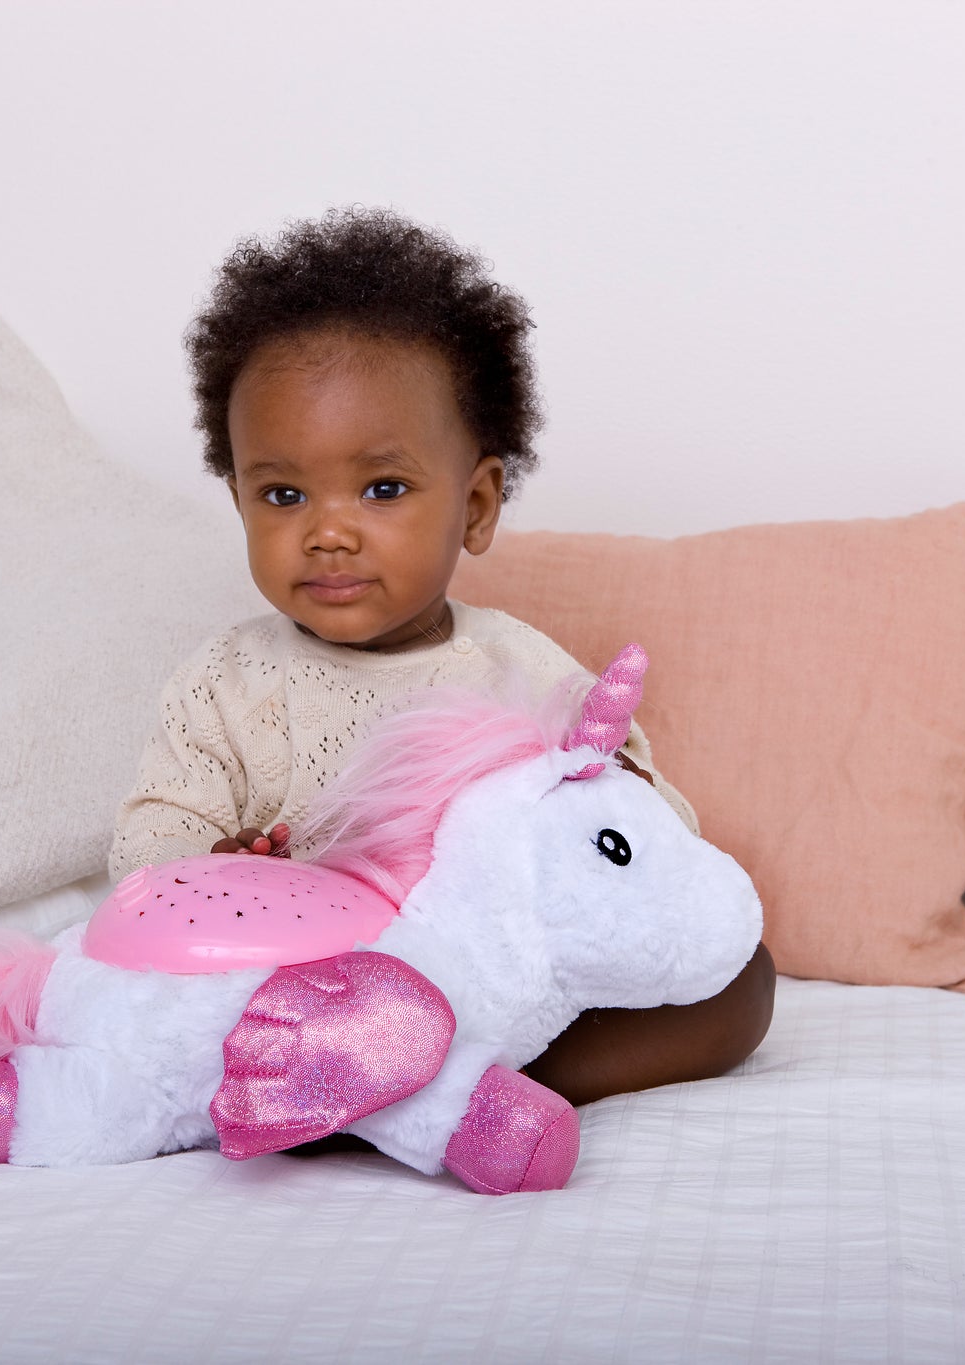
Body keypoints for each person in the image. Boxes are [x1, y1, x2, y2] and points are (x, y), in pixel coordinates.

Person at [109, 207, 773, 1111]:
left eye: (383, 488)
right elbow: (147, 851)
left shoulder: (521, 671)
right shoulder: (227, 684)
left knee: (741, 982)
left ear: (477, 504)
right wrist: (218, 867)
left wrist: (606, 792)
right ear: (238, 500)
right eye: (283, 492)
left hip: (489, 990)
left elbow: (656, 845)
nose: (329, 530)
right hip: (311, 985)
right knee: (163, 1009)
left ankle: (451, 1084)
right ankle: (355, 1078)